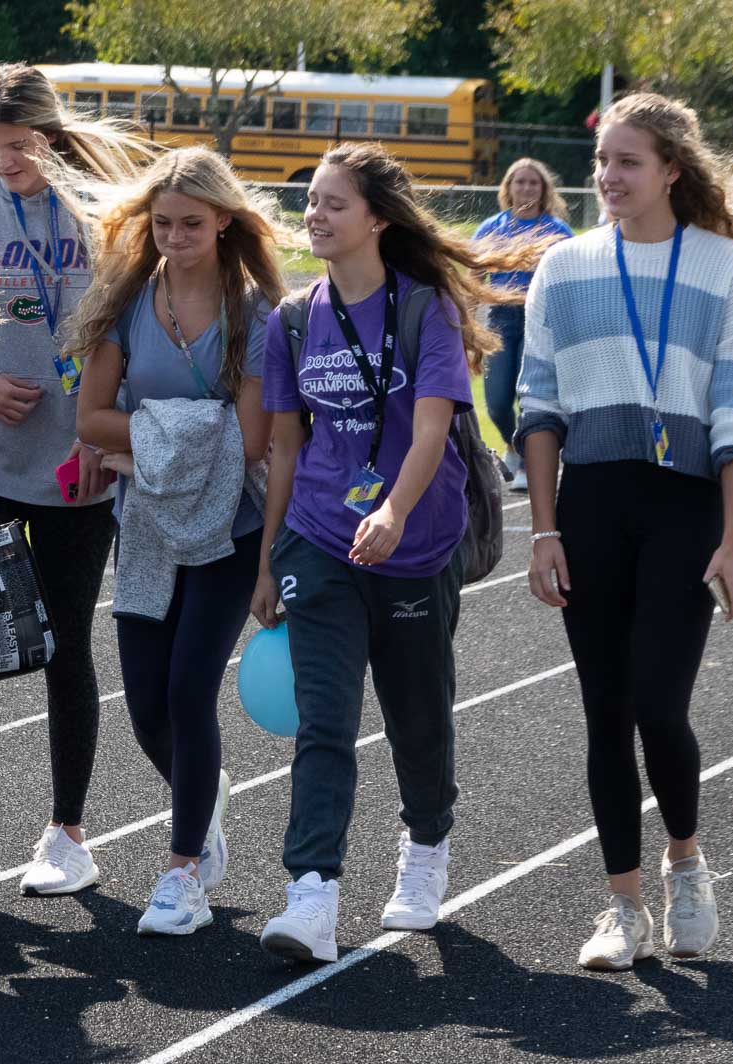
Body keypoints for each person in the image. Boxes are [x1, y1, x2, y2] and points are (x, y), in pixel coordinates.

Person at [251, 143, 535, 964]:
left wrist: (394, 510)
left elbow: (435, 428)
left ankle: (426, 845)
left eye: (334, 203)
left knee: (417, 715)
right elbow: (285, 448)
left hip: (415, 540)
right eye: (311, 200)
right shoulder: (291, 319)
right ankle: (312, 893)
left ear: (377, 219)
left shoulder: (425, 309)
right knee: (325, 719)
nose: (315, 214)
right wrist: (268, 559)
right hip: (320, 539)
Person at [518, 92, 733, 971]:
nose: (609, 176)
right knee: (606, 711)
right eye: (603, 162)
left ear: (671, 170)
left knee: (660, 706)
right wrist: (543, 530)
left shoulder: (727, 267)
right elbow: (539, 404)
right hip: (592, 500)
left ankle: (685, 864)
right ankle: (622, 905)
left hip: (686, 503)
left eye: (628, 161)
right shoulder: (564, 266)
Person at [0, 62, 156, 904]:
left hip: (76, 463)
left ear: (52, 137)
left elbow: (131, 330)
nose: (6, 162)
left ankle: (67, 834)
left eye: (19, 145)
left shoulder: (106, 218)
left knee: (65, 644)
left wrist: (103, 428)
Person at [69, 146, 285, 935]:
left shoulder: (256, 313)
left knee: (191, 690)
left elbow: (253, 441)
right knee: (146, 707)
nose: (174, 236)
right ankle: (205, 794)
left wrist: (143, 442)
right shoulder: (127, 300)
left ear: (224, 220)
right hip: (148, 526)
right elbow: (89, 418)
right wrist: (184, 435)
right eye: (162, 223)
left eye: (191, 223)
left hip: (233, 527)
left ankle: (183, 869)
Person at [473, 158, 574, 491]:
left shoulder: (558, 232)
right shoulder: (491, 228)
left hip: (539, 320)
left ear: (543, 189)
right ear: (508, 187)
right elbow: (474, 279)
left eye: (533, 182)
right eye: (520, 181)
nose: (527, 188)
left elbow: (568, 282)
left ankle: (530, 460)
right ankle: (513, 445)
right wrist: (468, 326)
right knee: (497, 401)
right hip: (501, 319)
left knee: (530, 396)